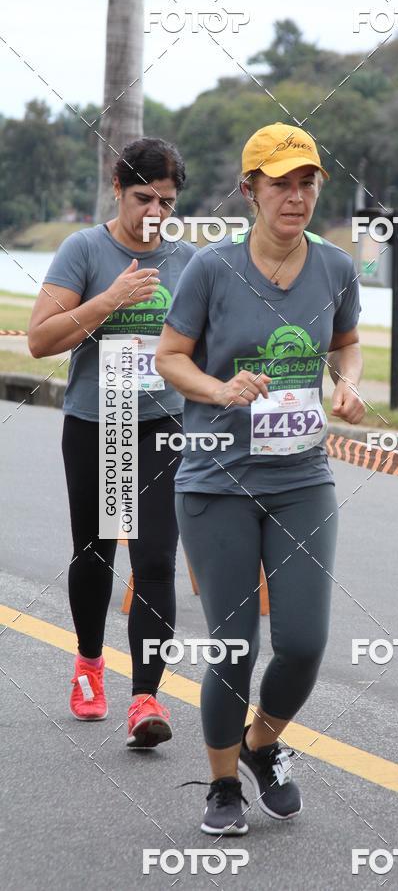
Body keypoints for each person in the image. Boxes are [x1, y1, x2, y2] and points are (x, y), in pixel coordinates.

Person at [156, 123, 365, 834]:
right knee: (235, 643)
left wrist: (347, 383)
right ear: (250, 191)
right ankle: (221, 786)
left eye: (307, 183)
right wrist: (217, 392)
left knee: (304, 641)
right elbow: (171, 358)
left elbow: (347, 341)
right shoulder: (211, 268)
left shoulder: (336, 267)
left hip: (303, 476)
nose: (296, 197)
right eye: (281, 183)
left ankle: (261, 743)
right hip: (215, 479)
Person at [28, 138, 196, 747]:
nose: (155, 212)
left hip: (163, 425)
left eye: (168, 202)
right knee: (97, 552)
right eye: (144, 198)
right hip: (98, 424)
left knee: (153, 558)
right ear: (118, 189)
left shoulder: (187, 260)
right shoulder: (85, 250)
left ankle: (147, 698)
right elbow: (41, 340)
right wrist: (109, 300)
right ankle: (90, 664)